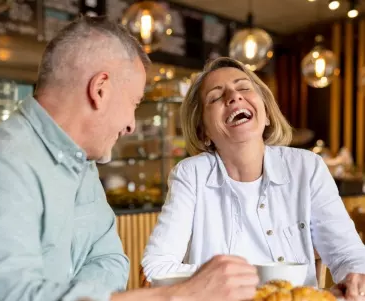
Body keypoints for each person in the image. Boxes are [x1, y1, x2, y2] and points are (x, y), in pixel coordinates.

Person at [0, 16, 259, 301]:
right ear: (100, 90)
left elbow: (111, 260)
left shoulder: (83, 165)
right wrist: (178, 295)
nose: (132, 124)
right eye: (134, 102)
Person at [142, 57, 365, 299]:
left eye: (244, 87)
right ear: (203, 131)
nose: (234, 97)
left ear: (267, 113)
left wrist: (356, 278)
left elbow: (347, 254)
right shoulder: (190, 174)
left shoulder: (306, 166)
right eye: (216, 97)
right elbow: (156, 269)